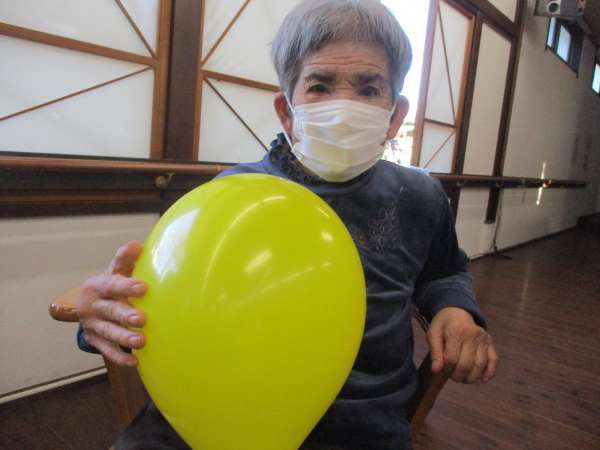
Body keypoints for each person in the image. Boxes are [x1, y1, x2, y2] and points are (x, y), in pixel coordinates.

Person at [75, 1, 498, 449]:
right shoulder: (229, 199)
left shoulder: (419, 197)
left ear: (395, 116)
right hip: (217, 413)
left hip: (360, 425)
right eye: (320, 86)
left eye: (369, 88)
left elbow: (445, 271)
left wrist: (455, 309)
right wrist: (102, 314)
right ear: (287, 110)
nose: (343, 107)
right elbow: (164, 303)